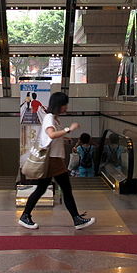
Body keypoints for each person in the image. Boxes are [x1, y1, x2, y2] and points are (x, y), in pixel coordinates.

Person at [18, 92, 96, 230]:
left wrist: (65, 138)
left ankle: (25, 216)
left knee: (42, 189)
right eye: (64, 104)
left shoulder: (53, 118)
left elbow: (52, 136)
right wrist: (68, 129)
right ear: (59, 105)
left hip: (53, 159)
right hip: (53, 160)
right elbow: (51, 134)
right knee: (65, 189)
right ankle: (77, 219)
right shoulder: (49, 118)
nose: (66, 107)